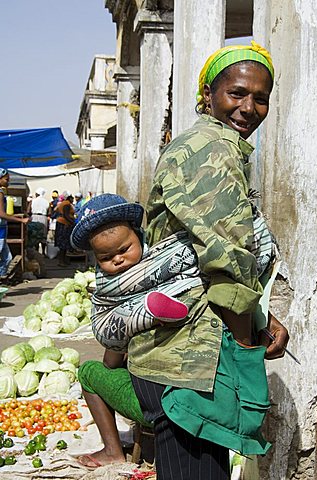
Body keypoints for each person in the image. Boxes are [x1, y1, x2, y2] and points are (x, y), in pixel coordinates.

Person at [78, 42, 290, 475]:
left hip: (188, 355)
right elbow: (227, 263)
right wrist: (246, 348)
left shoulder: (218, 145)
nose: (249, 107)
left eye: (260, 97)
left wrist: (262, 322)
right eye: (237, 93)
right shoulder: (210, 149)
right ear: (208, 94)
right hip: (187, 362)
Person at [71, 193, 202, 353]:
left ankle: (157, 311)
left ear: (139, 236)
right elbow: (104, 305)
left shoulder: (156, 256)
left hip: (164, 296)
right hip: (116, 314)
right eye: (106, 257)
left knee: (186, 277)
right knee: (114, 323)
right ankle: (152, 314)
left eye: (124, 249)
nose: (118, 259)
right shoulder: (104, 280)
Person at [0, 169, 29, 276]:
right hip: (0, 232)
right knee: (6, 258)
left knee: (7, 259)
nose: (8, 182)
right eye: (6, 180)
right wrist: (21, 220)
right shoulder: (0, 193)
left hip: (2, 231)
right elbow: (1, 214)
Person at [54, 191, 75, 267]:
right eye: (72, 197)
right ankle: (61, 261)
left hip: (64, 223)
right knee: (63, 243)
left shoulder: (65, 203)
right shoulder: (66, 204)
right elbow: (66, 215)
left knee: (65, 244)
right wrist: (72, 222)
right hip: (64, 224)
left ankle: (64, 260)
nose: (73, 199)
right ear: (69, 198)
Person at [30, 187, 49, 255]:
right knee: (43, 235)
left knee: (35, 234)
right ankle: (43, 252)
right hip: (43, 217)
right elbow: (49, 212)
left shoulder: (33, 201)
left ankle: (36, 251)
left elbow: (28, 210)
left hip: (34, 217)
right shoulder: (46, 201)